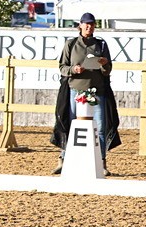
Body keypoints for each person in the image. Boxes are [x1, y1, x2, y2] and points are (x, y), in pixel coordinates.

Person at [51, 12, 120, 174]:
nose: (89, 27)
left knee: (101, 127)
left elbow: (108, 70)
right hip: (75, 89)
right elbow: (62, 67)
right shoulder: (71, 44)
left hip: (97, 91)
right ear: (80, 25)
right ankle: (63, 158)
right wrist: (73, 69)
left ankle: (102, 162)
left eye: (92, 24)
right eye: (86, 24)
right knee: (71, 124)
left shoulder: (101, 45)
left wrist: (104, 64)